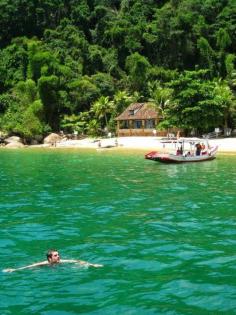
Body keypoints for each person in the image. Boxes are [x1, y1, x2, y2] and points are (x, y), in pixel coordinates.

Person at [2, 249, 103, 273]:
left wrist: (93, 265)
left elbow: (76, 261)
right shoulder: (44, 264)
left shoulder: (62, 262)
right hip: (48, 270)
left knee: (79, 266)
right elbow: (29, 266)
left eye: (58, 255)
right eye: (56, 255)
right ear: (50, 258)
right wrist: (14, 270)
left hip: (61, 270)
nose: (58, 257)